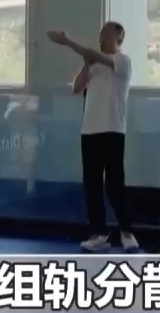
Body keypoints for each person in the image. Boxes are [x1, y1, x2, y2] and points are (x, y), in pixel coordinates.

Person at [47, 23, 139, 252]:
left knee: (115, 183)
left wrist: (67, 41)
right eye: (100, 35)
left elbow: (92, 53)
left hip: (113, 128)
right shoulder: (93, 64)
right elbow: (76, 87)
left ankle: (127, 232)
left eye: (107, 34)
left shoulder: (123, 61)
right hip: (90, 130)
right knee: (92, 183)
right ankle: (99, 233)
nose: (102, 38)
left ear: (119, 39)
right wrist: (87, 64)